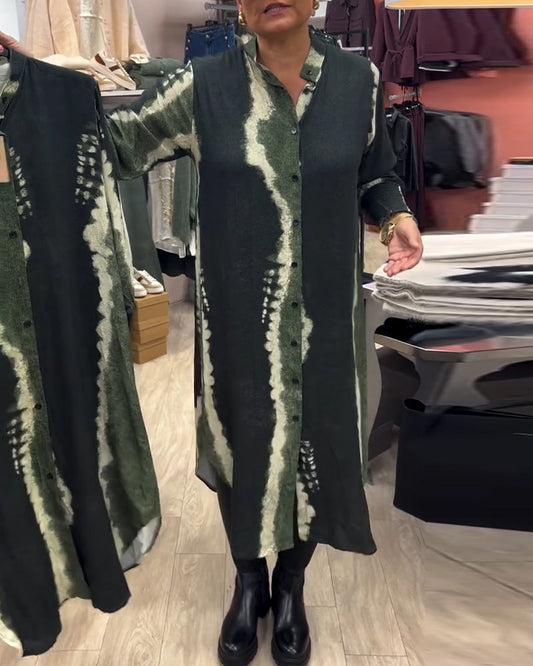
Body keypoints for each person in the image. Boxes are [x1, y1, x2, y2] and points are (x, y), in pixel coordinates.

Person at [1, 1, 422, 664]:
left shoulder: (358, 82)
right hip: (236, 327)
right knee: (241, 447)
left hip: (325, 320)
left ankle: (291, 587)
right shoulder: (204, 86)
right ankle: (249, 583)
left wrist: (396, 216)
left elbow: (376, 173)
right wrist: (36, 80)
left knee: (318, 446)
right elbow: (108, 141)